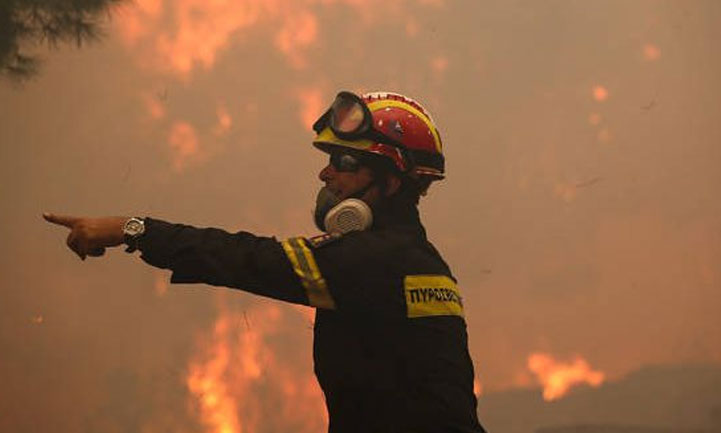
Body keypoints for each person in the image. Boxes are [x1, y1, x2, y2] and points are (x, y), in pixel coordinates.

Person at [44, 90, 486, 433]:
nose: (325, 174)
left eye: (344, 161)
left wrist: (133, 229)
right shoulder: (419, 262)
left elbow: (246, 259)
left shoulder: (373, 261)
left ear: (391, 182)